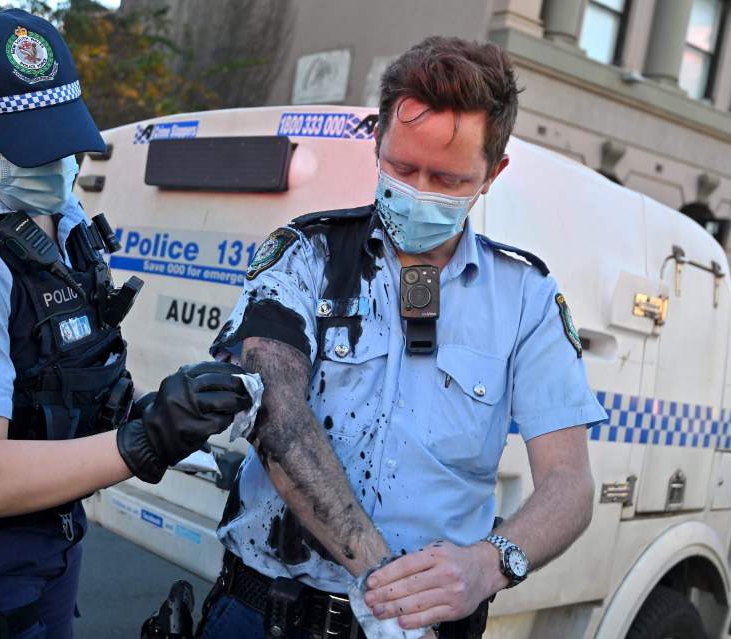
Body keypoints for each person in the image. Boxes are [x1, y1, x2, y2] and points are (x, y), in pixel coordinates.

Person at [0, 9, 251, 639]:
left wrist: (154, 412)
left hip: (42, 542)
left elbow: (56, 373)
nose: (57, 161)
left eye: (61, 137)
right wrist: (146, 442)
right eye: (31, 143)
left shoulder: (59, 217)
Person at [198, 37, 608, 639]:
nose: (418, 190)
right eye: (400, 167)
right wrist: (381, 579)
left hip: (435, 626)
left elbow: (569, 483)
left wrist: (491, 564)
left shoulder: (528, 298)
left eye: (446, 177)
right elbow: (277, 416)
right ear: (377, 142)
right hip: (269, 615)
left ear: (493, 174)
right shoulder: (305, 256)